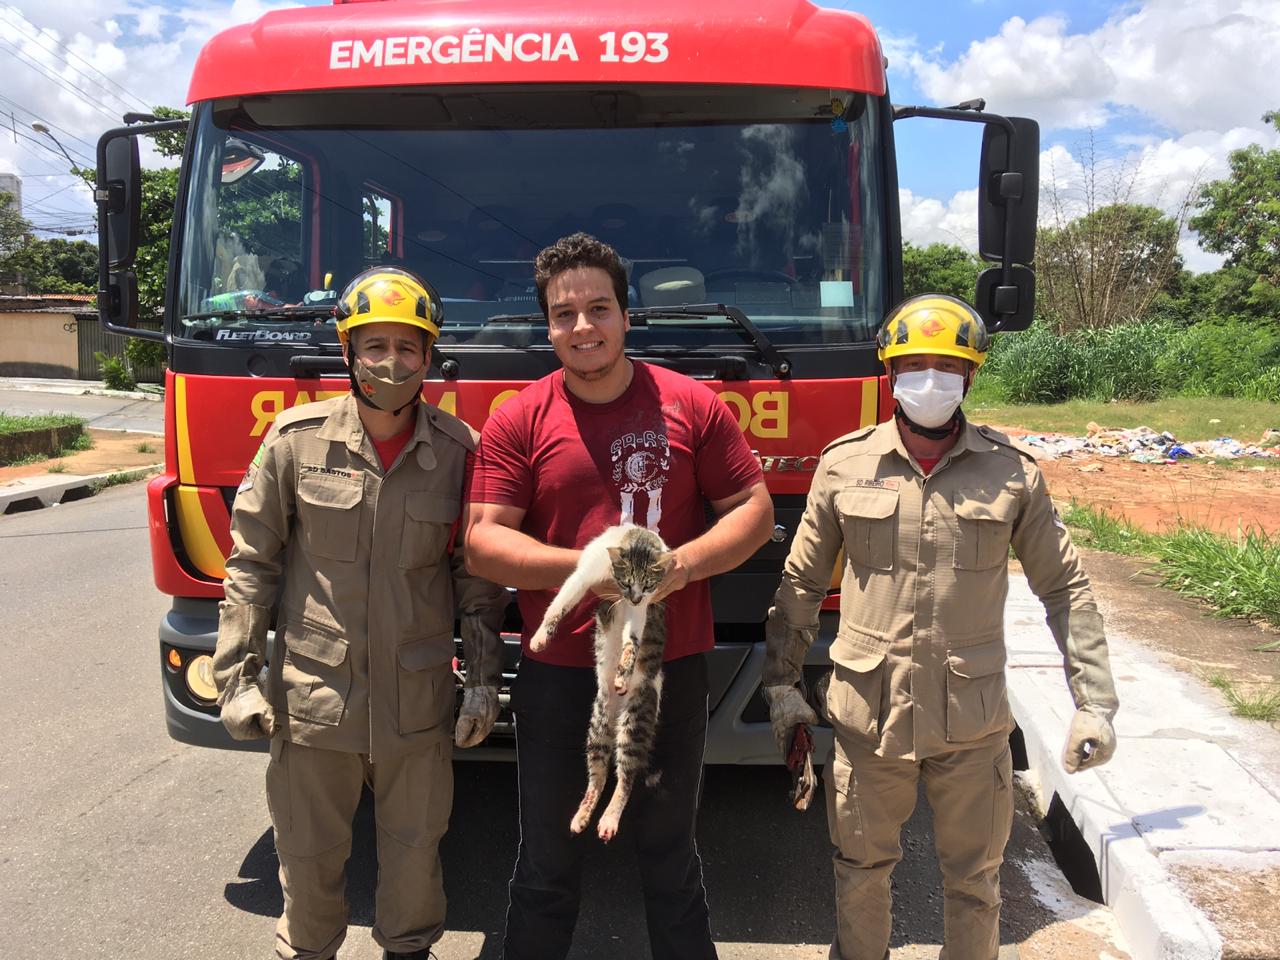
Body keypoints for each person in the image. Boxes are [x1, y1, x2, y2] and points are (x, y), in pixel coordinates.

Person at [762, 294, 1119, 960]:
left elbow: (1064, 588)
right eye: (914, 365)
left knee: (976, 883)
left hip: (972, 723)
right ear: (890, 373)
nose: (930, 380)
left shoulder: (1012, 475)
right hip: (871, 719)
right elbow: (802, 584)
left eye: (946, 366)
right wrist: (780, 682)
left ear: (971, 377)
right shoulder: (845, 465)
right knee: (861, 872)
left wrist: (1094, 702)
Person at [465, 232, 774, 960]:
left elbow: (754, 511)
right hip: (562, 674)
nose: (582, 327)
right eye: (563, 313)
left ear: (626, 317)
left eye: (598, 308)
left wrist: (687, 565)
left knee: (670, 856)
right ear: (547, 325)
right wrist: (589, 572)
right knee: (547, 861)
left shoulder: (691, 405)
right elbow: (482, 541)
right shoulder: (520, 417)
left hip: (670, 670)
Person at [212, 266, 508, 960]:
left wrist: (485, 682)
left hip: (418, 704)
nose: (392, 364)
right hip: (316, 705)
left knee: (414, 867)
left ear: (429, 358)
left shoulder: (459, 454)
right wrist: (237, 677)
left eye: (409, 349)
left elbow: (478, 581)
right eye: (374, 346)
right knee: (310, 868)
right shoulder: (295, 442)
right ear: (348, 352)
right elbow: (252, 567)